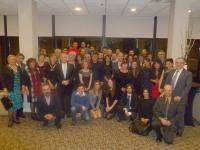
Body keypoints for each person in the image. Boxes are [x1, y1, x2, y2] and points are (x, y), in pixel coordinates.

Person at [165, 57, 192, 136]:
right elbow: (167, 83)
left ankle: (180, 130)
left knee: (180, 115)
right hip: (170, 97)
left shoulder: (188, 74)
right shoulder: (171, 72)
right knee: (172, 114)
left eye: (180, 63)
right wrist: (165, 93)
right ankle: (173, 127)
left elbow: (187, 87)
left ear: (184, 64)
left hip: (181, 99)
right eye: (177, 62)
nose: (178, 64)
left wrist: (180, 97)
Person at [1, 55, 26, 127]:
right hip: (10, 89)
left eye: (13, 59)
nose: (12, 61)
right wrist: (5, 89)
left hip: (18, 89)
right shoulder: (5, 68)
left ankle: (14, 118)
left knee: (16, 104)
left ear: (15, 60)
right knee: (11, 105)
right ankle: (10, 119)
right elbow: (2, 79)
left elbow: (22, 77)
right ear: (8, 60)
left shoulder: (18, 67)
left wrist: (23, 86)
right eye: (10, 59)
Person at [55, 52, 74, 118]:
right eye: (62, 57)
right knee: (61, 100)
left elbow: (73, 76)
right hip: (61, 85)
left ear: (67, 58)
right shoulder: (57, 66)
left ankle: (68, 113)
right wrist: (62, 81)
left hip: (69, 86)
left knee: (68, 100)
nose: (64, 58)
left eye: (65, 57)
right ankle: (62, 113)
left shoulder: (71, 66)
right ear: (60, 58)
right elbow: (56, 76)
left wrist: (68, 81)